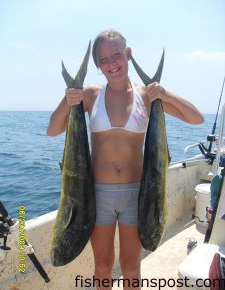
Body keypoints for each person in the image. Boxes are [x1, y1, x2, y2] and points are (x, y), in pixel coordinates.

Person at [47, 29, 204, 290]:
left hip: (137, 194)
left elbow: (196, 118)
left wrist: (165, 94)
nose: (111, 64)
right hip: (97, 195)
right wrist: (67, 101)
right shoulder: (89, 95)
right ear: (97, 65)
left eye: (116, 55)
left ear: (127, 55)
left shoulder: (147, 96)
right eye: (103, 60)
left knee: (132, 267)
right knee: (103, 266)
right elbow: (53, 130)